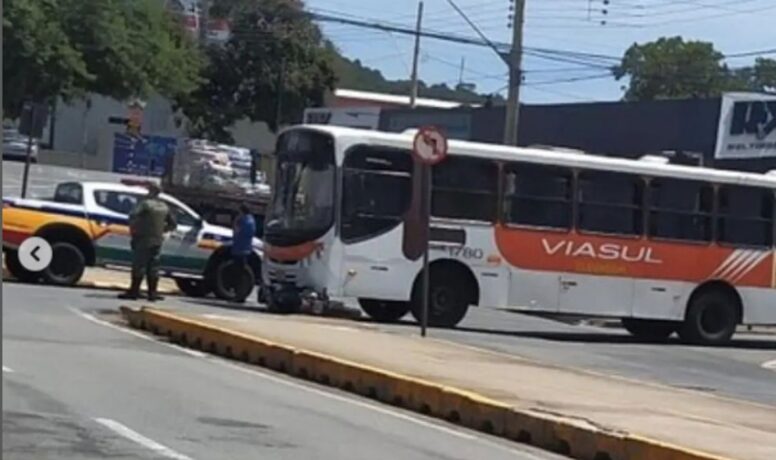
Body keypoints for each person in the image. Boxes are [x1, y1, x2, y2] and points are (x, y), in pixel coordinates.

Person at [119, 183, 176, 301]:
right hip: (157, 240)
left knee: (139, 265)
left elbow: (132, 216)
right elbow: (173, 224)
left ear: (150, 191)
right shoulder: (164, 206)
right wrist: (161, 231)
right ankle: (152, 293)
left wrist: (134, 230)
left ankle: (134, 291)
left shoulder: (145, 204)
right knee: (154, 266)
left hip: (143, 238)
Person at [228, 204, 256, 302]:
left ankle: (238, 295)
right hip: (246, 249)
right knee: (243, 273)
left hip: (239, 250)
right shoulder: (251, 220)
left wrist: (235, 222)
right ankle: (241, 295)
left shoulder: (242, 221)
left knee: (238, 274)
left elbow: (237, 231)